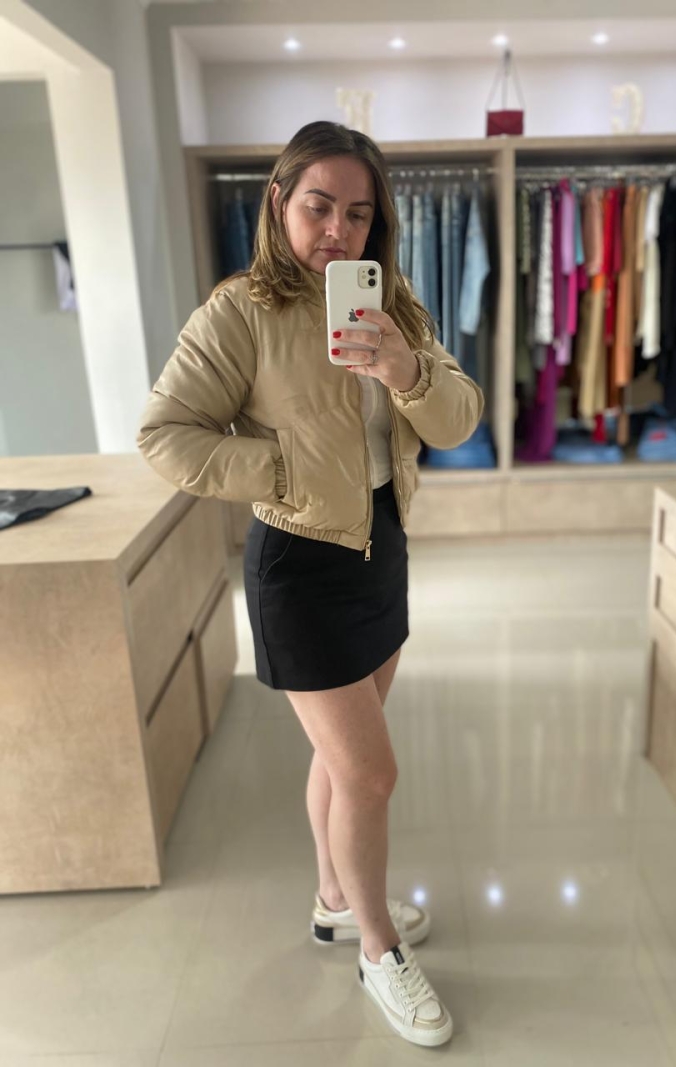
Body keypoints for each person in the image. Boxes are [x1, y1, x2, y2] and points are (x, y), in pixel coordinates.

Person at [137, 120, 484, 1048]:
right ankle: (377, 948)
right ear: (279, 202)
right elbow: (165, 434)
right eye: (319, 205)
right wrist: (279, 469)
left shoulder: (394, 303)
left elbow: (458, 418)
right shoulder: (239, 311)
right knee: (371, 771)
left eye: (358, 213)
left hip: (380, 547)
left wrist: (405, 369)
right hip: (297, 562)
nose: (338, 229)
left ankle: (336, 897)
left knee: (340, 761)